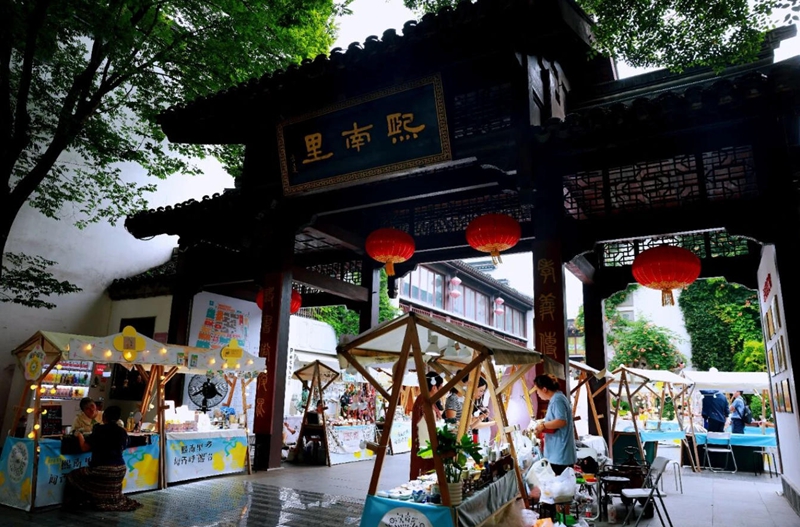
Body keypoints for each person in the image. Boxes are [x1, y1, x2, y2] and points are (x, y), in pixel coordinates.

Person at [64, 405, 141, 511]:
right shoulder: (122, 431)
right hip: (120, 470)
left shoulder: (99, 429)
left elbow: (84, 447)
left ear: (104, 417)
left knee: (72, 476)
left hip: (101, 469)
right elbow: (123, 447)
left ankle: (76, 506)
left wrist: (80, 436)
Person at [532, 374, 576, 476]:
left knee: (560, 483)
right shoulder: (556, 398)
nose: (537, 393)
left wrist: (543, 426)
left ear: (544, 389)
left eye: (537, 390)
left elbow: (561, 421)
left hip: (560, 454)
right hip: (558, 453)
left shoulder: (557, 400)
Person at [410, 372, 444, 480]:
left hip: (426, 446)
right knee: (426, 477)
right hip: (426, 447)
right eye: (441, 388)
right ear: (434, 387)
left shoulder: (426, 400)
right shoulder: (425, 402)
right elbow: (431, 426)